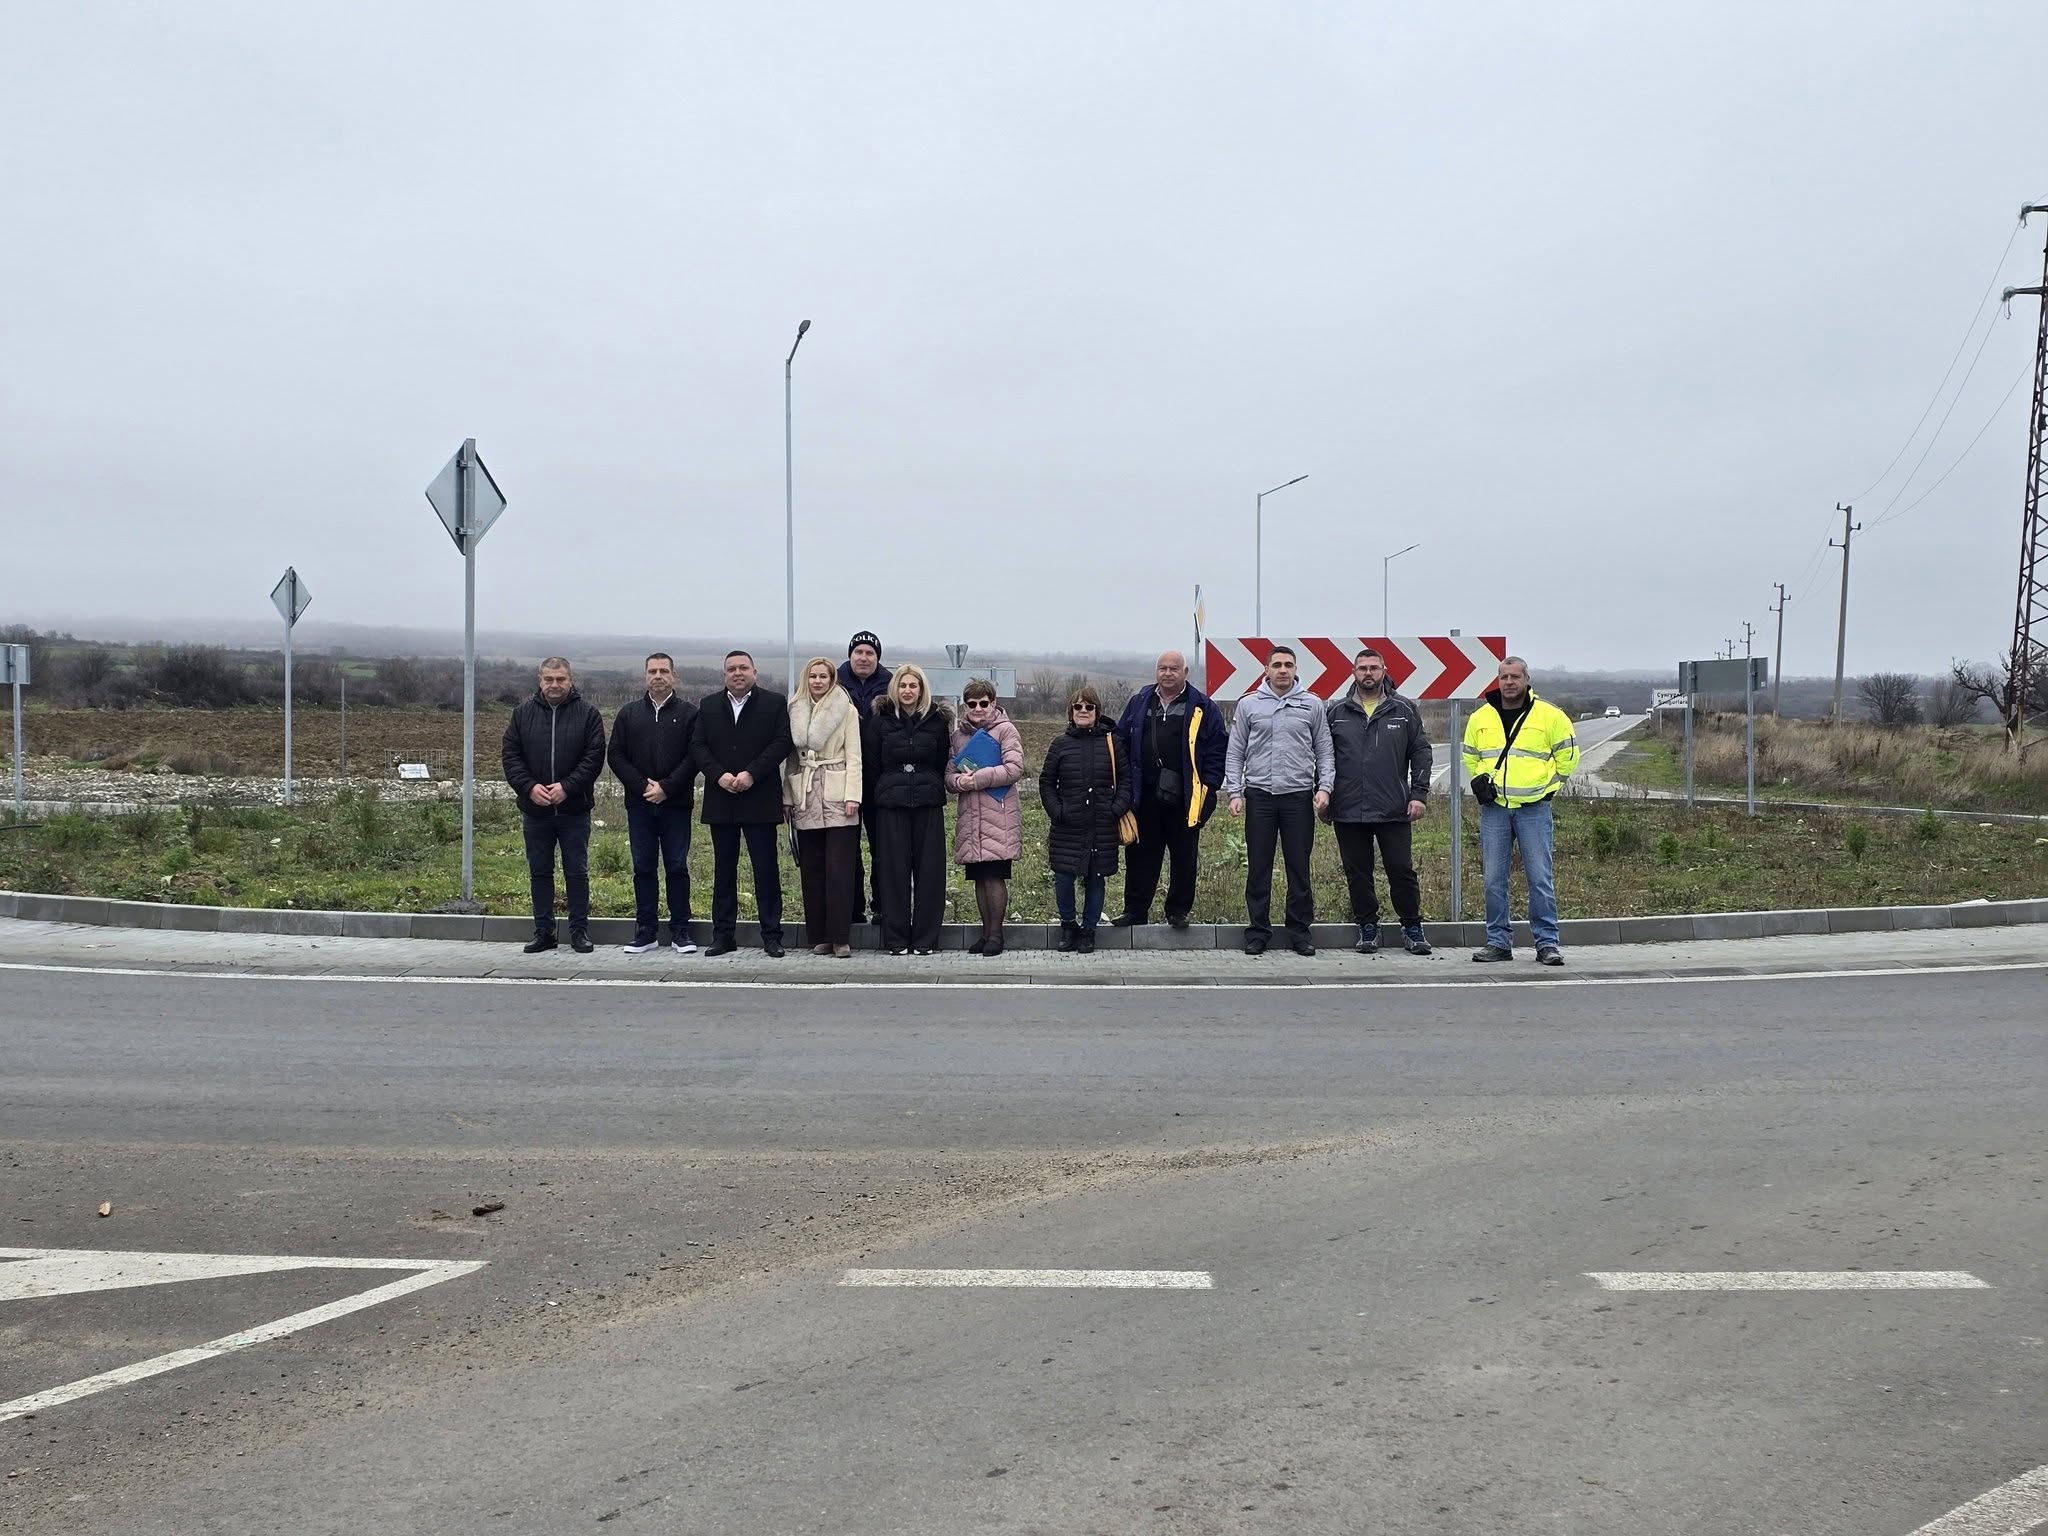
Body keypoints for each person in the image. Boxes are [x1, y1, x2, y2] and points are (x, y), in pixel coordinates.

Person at [1462, 655, 1579, 965]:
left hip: (1533, 808)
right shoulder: (1481, 717)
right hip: (1495, 810)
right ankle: (1498, 943)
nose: (1509, 682)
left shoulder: (1550, 715)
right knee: (1493, 880)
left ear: (1527, 679)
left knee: (1539, 878)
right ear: (1498, 681)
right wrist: (1482, 779)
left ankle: (1547, 944)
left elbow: (1568, 756)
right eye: (1504, 677)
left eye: (1515, 676)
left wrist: (1549, 788)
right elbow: (1470, 754)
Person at [1224, 646, 1333, 957]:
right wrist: (1235, 792)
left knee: (1299, 868)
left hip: (1298, 798)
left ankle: (1299, 932)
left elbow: (1325, 750)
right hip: (1260, 797)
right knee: (1259, 867)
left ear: (1296, 669)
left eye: (1288, 665)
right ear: (1266, 669)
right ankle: (1258, 932)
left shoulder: (1311, 704)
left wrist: (1324, 788)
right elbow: (1235, 751)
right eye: (1277, 665)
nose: (1282, 670)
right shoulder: (1249, 705)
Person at [1324, 647, 1433, 956]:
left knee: (1401, 870)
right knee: (1357, 872)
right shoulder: (1336, 712)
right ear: (1354, 673)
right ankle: (1367, 926)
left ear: (1384, 671)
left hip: (1393, 808)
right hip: (1348, 809)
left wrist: (1419, 795)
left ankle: (1412, 927)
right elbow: (1323, 756)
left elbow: (1421, 751)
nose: (1368, 673)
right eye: (1362, 668)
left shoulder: (1404, 709)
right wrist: (1324, 794)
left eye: (1374, 667)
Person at [1110, 650, 1226, 929]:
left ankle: (1178, 911)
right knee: (1140, 855)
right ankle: (1135, 911)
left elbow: (1216, 749)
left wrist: (1209, 790)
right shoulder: (1140, 702)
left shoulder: (1202, 706)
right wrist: (1123, 783)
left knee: (1184, 856)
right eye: (1162, 668)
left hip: (1186, 796)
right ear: (1156, 672)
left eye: (1174, 668)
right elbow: (1121, 740)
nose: (1167, 673)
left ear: (1185, 672)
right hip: (1144, 796)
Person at [501, 656, 607, 954]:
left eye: (560, 679)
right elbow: (511, 756)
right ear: (540, 680)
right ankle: (544, 932)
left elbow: (594, 757)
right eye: (549, 679)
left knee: (577, 872)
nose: (555, 684)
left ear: (570, 680)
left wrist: (567, 787)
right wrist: (529, 787)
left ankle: (579, 932)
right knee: (539, 872)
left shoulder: (588, 714)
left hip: (574, 810)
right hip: (535, 811)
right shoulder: (522, 714)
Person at [692, 650, 793, 957]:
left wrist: (752, 773)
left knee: (765, 870)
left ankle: (772, 936)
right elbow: (698, 746)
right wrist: (718, 775)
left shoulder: (774, 703)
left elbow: (782, 743)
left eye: (743, 668)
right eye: (731, 669)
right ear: (724, 674)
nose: (738, 673)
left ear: (754, 672)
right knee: (724, 871)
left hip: (759, 798)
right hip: (721, 799)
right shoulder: (708, 705)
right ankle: (723, 936)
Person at [607, 652, 701, 955]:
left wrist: (667, 788)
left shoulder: (690, 714)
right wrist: (643, 786)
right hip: (640, 805)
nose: (657, 676)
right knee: (643, 867)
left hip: (676, 804)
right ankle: (646, 931)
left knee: (677, 866)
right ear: (645, 676)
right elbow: (616, 755)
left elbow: (695, 756)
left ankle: (681, 931)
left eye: (663, 671)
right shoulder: (629, 714)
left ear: (674, 676)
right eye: (652, 671)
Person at [862, 663, 952, 955]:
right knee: (893, 872)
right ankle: (896, 939)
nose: (907, 691)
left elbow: (940, 760)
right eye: (902, 685)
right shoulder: (880, 720)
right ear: (894, 689)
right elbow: (872, 764)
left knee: (930, 872)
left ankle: (925, 939)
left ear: (922, 689)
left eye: (913, 685)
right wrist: (884, 791)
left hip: (927, 804)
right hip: (891, 805)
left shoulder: (936, 721)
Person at [1038, 684, 1131, 954]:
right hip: (1067, 825)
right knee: (1063, 877)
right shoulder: (1060, 744)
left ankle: (1089, 930)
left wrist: (1115, 809)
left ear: (1097, 711)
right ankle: (1068, 926)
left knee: (1096, 878)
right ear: (1070, 711)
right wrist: (1057, 811)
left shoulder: (1112, 744)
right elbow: (1046, 782)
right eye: (1078, 706)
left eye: (1089, 706)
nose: (1083, 711)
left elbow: (1126, 781)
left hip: (1102, 825)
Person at [783, 657, 863, 958]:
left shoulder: (847, 710)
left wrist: (853, 795)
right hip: (805, 794)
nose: (817, 681)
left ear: (832, 680)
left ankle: (840, 937)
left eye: (823, 676)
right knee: (812, 869)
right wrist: (788, 796)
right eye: (813, 676)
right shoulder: (796, 709)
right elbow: (792, 758)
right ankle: (819, 935)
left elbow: (854, 757)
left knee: (839, 870)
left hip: (838, 791)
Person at [948, 677, 1025, 957]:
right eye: (972, 704)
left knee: (994, 877)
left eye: (983, 703)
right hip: (971, 818)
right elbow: (949, 775)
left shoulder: (1006, 730)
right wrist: (960, 782)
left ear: (993, 703)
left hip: (998, 815)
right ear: (965, 706)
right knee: (979, 878)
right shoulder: (958, 736)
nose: (978, 708)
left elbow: (1014, 769)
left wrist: (977, 779)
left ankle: (996, 934)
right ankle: (985, 932)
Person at [837, 630, 893, 926]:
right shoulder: (834, 682)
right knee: (846, 847)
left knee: (882, 846)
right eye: (858, 652)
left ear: (877, 658)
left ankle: (883, 906)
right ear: (850, 655)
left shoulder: (891, 685)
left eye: (870, 653)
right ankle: (852, 908)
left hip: (879, 777)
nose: (863, 657)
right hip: (841, 777)